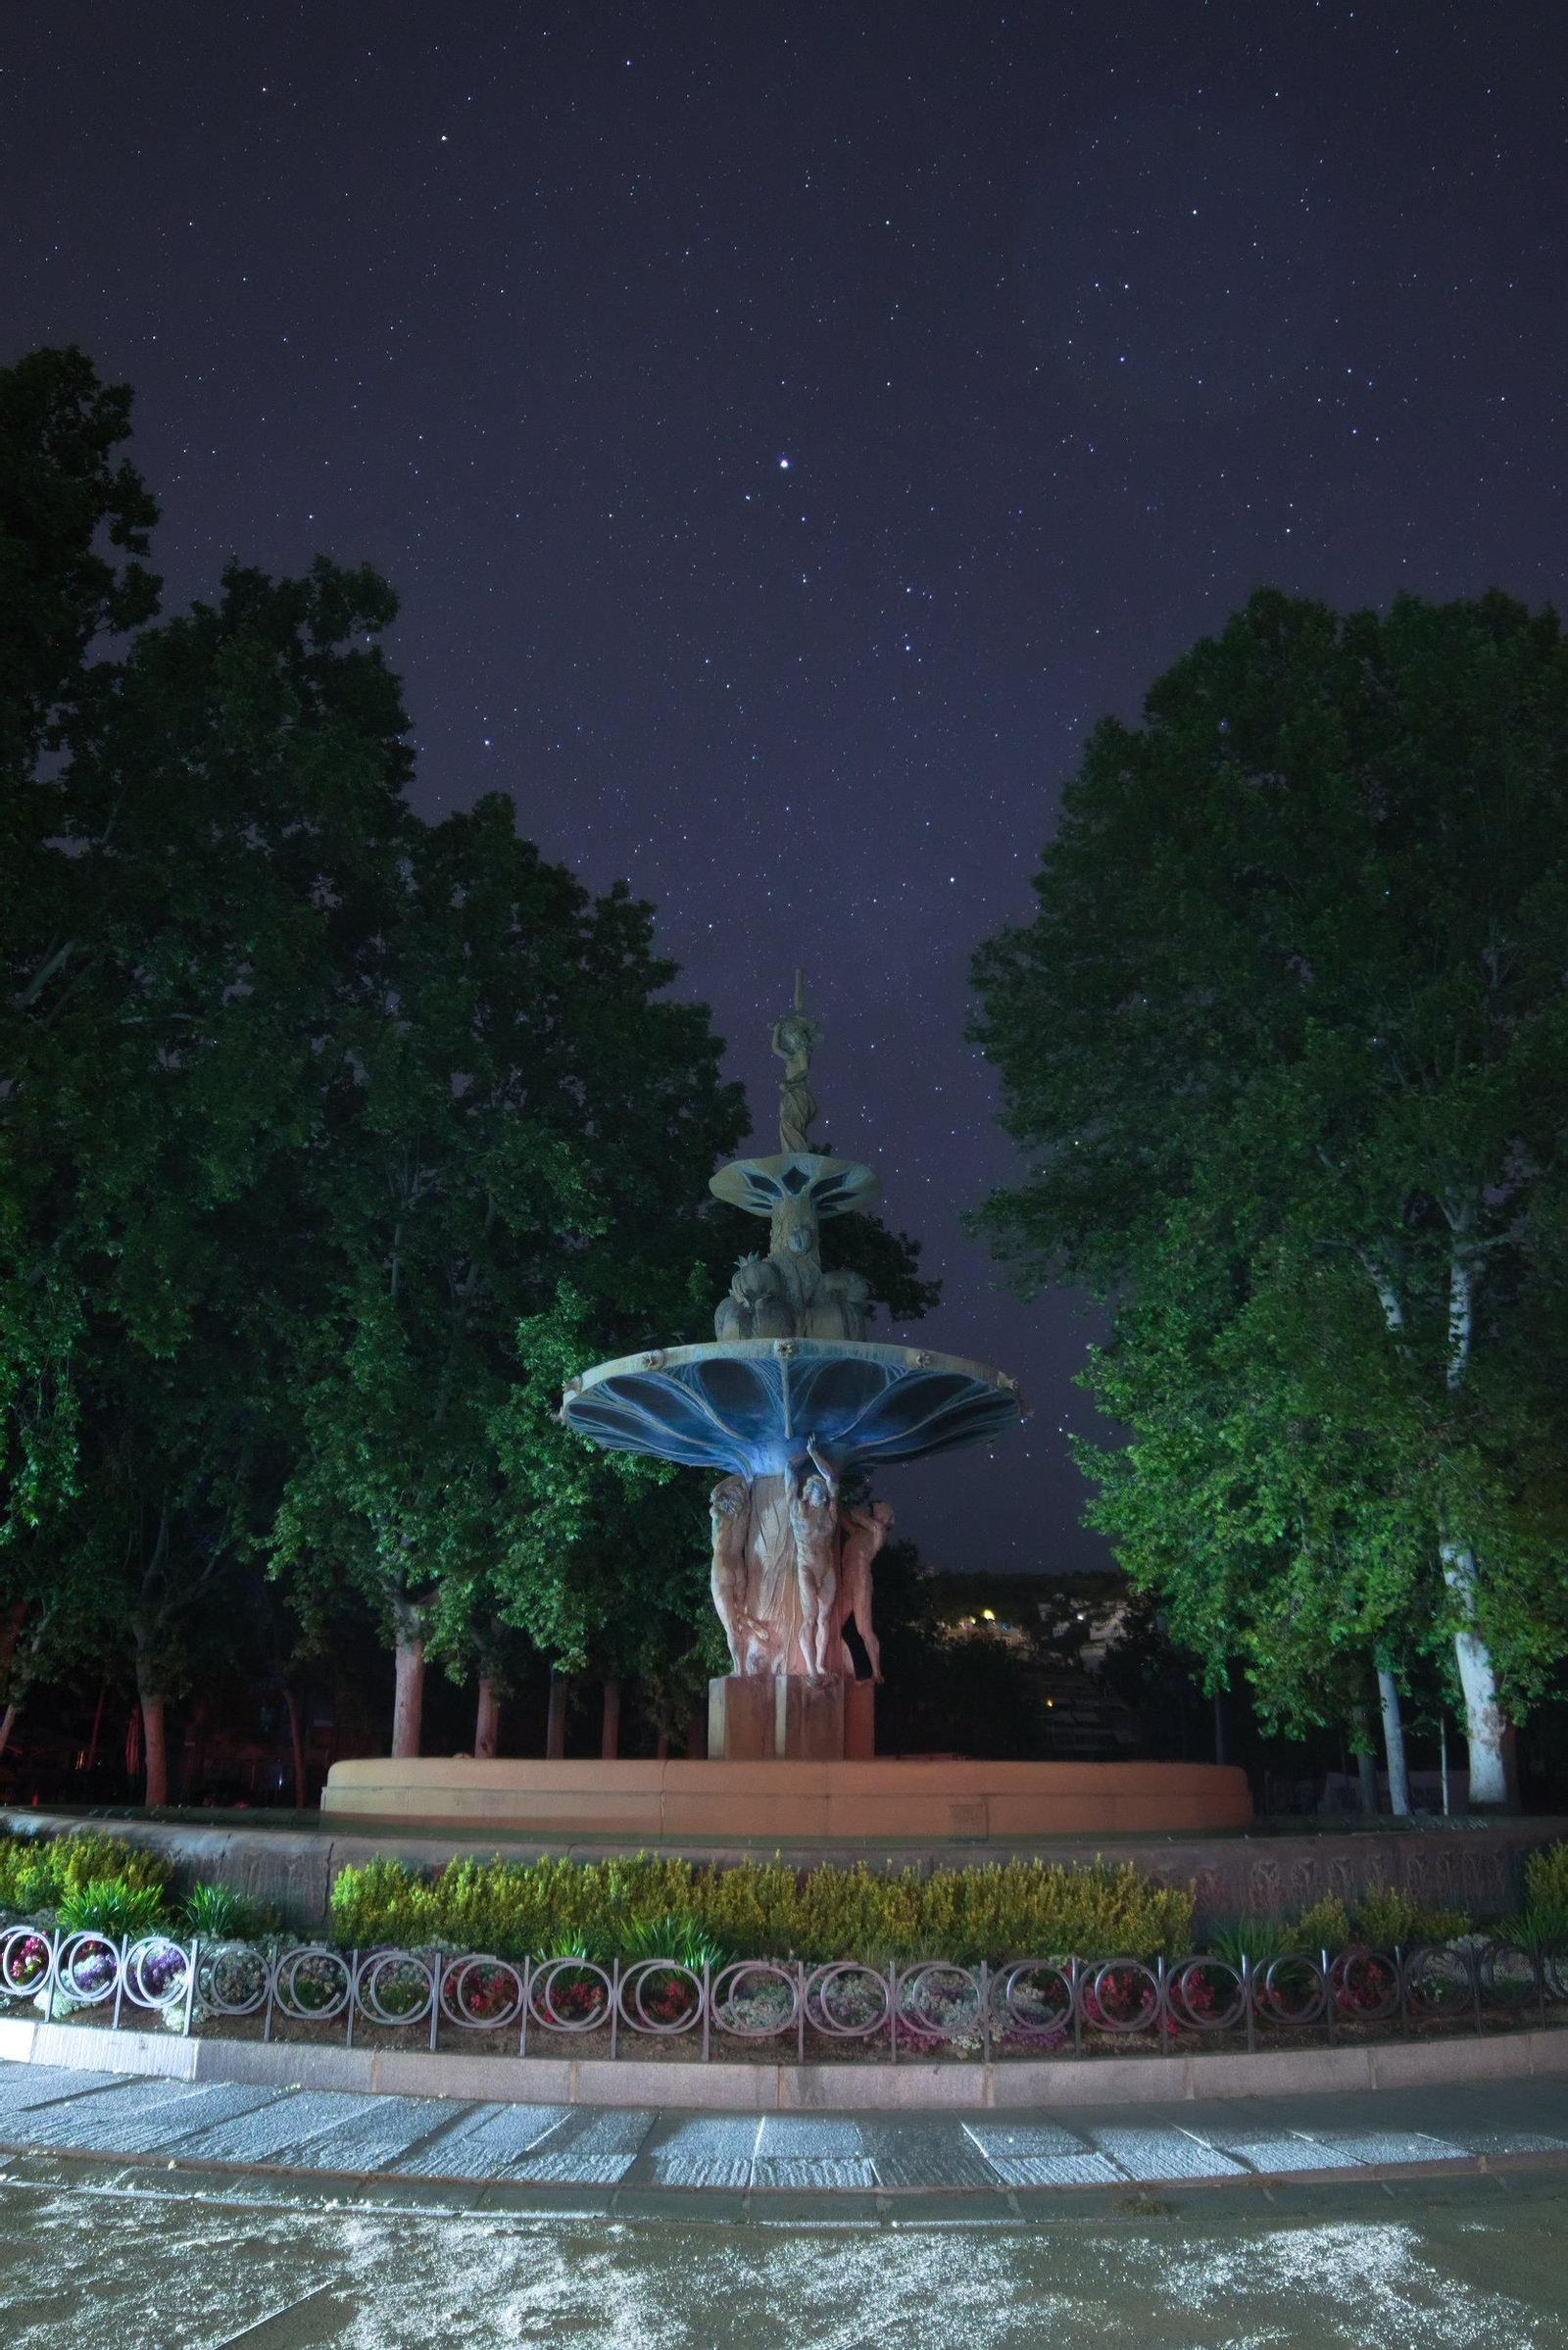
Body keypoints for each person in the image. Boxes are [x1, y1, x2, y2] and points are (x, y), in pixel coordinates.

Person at [787, 1439, 840, 1680]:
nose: (826, 1498)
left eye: (826, 1496)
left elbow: (833, 1481)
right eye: (821, 1494)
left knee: (824, 1619)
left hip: (826, 1567)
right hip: (807, 1566)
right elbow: (788, 1470)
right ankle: (809, 1668)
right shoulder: (798, 1510)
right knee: (809, 1619)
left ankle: (819, 1665)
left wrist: (814, 1453)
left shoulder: (830, 1513)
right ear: (809, 1494)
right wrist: (803, 1457)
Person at [838, 1498, 893, 1682]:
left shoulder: (879, 1532)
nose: (875, 1512)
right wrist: (836, 1504)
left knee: (864, 1629)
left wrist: (848, 1508)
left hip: (861, 1581)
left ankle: (876, 1672)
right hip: (848, 1581)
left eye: (880, 1510)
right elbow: (847, 1521)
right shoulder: (860, 1533)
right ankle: (839, 1661)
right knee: (833, 1624)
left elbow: (858, 1517)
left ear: (887, 1518)